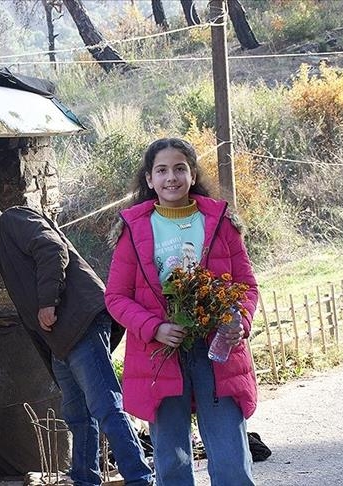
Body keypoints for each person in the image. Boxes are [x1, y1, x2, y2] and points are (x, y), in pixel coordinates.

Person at [0, 201, 154, 486]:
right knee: (78, 414)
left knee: (105, 404)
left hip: (79, 324)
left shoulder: (14, 219)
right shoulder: (3, 249)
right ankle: (85, 480)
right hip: (61, 339)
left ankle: (140, 479)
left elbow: (52, 248)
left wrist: (48, 302)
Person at [105, 137, 259, 485]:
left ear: (192, 175)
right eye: (161, 170)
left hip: (218, 351)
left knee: (231, 459)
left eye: (179, 168)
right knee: (171, 462)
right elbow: (116, 297)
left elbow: (247, 285)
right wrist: (155, 328)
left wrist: (241, 321)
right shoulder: (133, 229)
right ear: (149, 179)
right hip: (160, 355)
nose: (171, 177)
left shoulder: (220, 221)